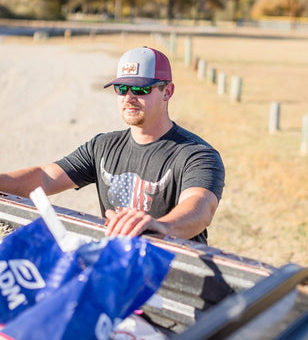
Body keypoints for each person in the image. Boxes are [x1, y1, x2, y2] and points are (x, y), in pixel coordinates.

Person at [0, 46, 224, 244]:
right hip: (118, 271)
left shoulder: (197, 155)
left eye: (140, 89)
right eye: (121, 88)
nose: (128, 97)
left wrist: (162, 228)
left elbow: (200, 208)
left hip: (176, 277)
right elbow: (46, 177)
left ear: (167, 91)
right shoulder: (103, 146)